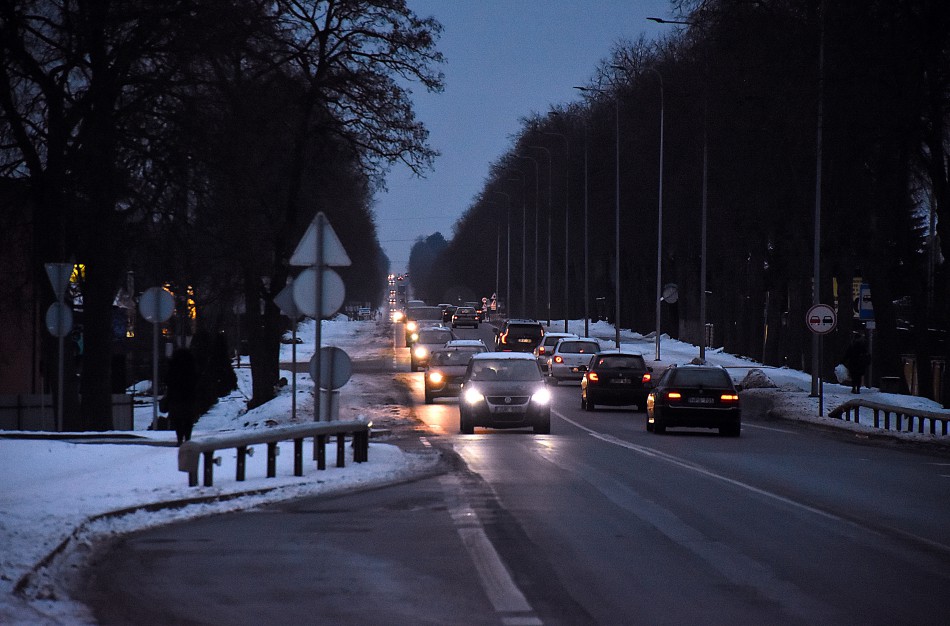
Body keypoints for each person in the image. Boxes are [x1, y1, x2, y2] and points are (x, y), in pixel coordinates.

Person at [164, 348, 198, 445]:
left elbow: (168, 380)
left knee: (177, 419)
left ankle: (179, 439)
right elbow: (195, 381)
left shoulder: (173, 367)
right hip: (188, 397)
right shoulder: (191, 368)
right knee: (188, 419)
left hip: (176, 397)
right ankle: (187, 438)